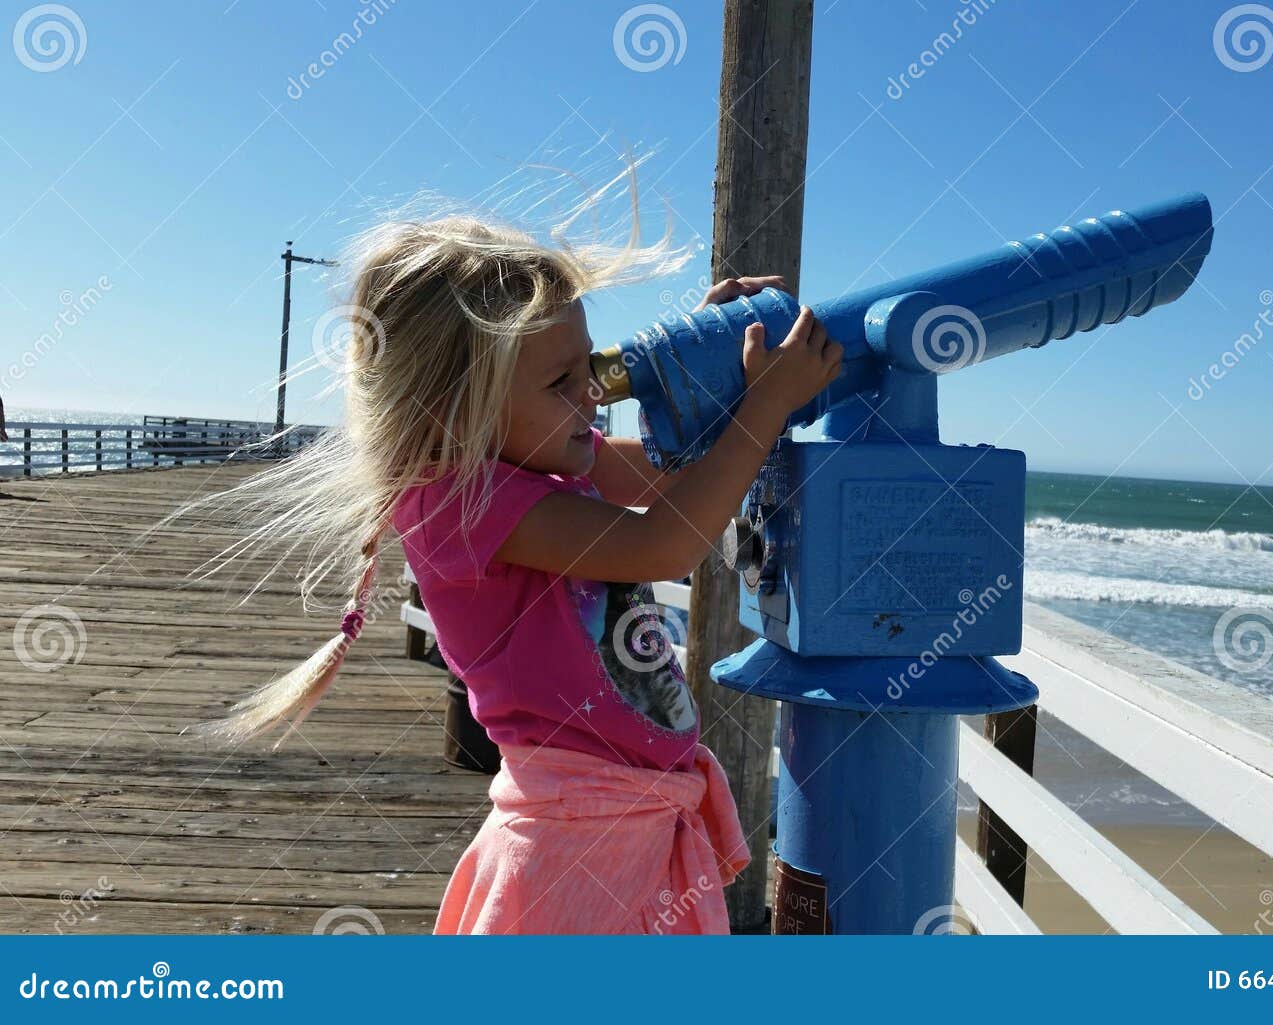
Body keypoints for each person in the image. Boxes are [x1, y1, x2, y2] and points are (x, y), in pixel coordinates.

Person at [186, 197, 842, 935]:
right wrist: (765, 404)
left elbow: (664, 473)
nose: (592, 396)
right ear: (457, 407)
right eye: (561, 381)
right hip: (574, 848)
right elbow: (665, 541)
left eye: (588, 367)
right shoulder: (461, 503)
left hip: (628, 829)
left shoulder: (538, 460)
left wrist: (708, 364)